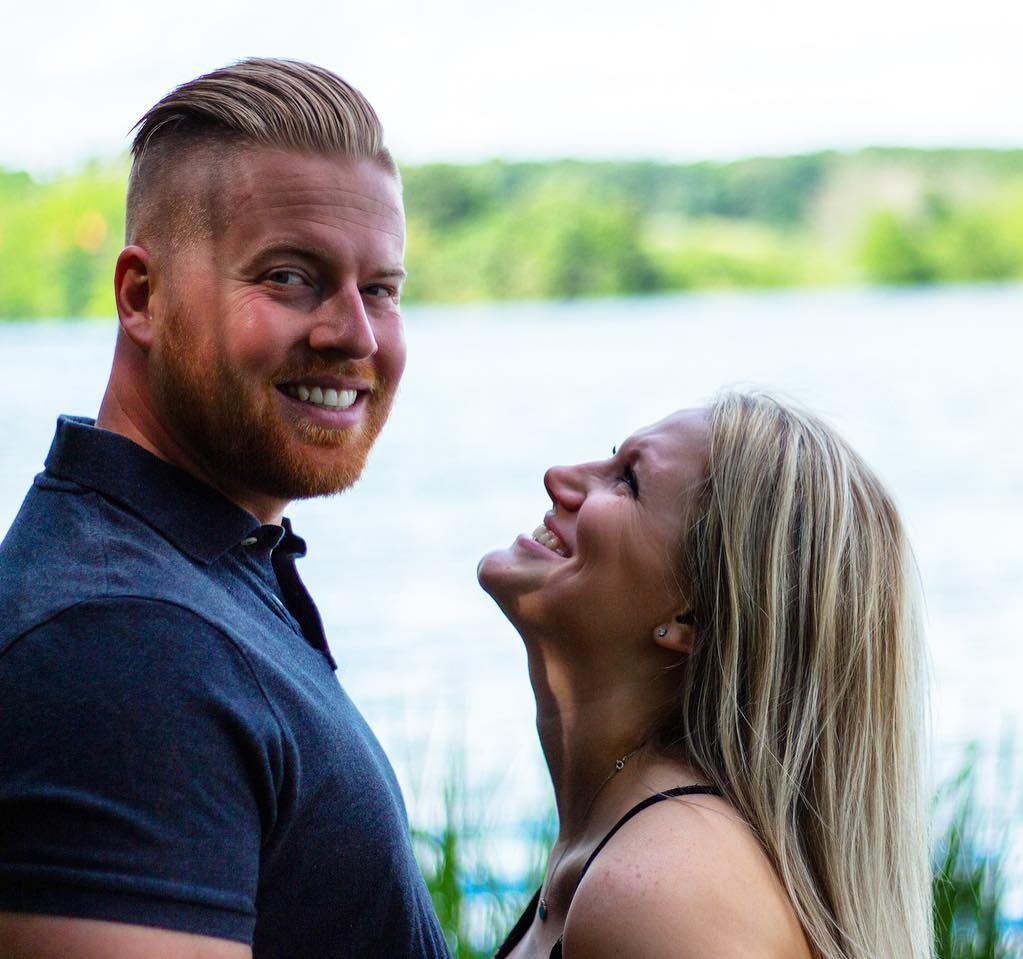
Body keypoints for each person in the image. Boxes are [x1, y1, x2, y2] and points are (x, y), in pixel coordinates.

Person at [0, 59, 448, 959]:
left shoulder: (190, 574)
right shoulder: (120, 645)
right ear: (142, 296)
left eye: (380, 289)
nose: (354, 334)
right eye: (289, 276)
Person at [479, 391, 932, 959]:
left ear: (691, 616)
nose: (559, 477)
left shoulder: (657, 892)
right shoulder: (624, 849)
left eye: (628, 482)